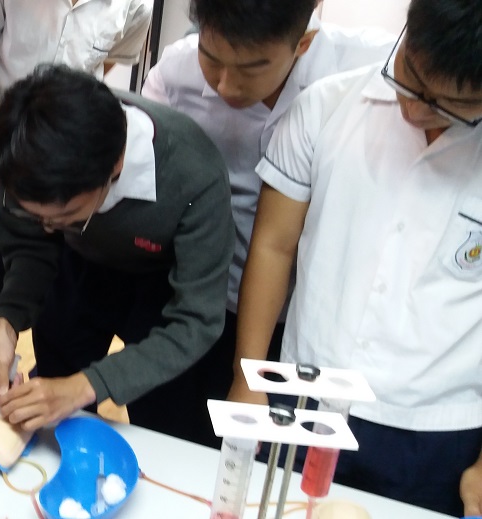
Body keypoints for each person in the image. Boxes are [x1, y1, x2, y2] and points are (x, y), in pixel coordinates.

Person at [233, 0, 482, 514]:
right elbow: (274, 246)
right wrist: (246, 375)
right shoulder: (327, 107)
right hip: (306, 394)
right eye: (410, 78)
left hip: (436, 428)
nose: (414, 110)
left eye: (448, 105)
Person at [140, 0, 394, 447]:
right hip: (191, 299)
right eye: (211, 59)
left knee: (252, 454)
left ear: (303, 42)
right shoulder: (175, 74)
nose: (225, 84)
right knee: (166, 436)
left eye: (251, 68)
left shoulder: (367, 70)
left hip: (289, 319)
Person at [0, 65, 234, 438]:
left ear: (115, 165)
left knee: (166, 418)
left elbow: (196, 321)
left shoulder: (194, 175)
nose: (47, 227)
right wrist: (6, 322)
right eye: (36, 216)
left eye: (64, 216)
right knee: (52, 398)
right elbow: (31, 248)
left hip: (163, 283)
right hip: (78, 266)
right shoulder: (23, 153)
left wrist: (87, 386)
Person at [0, 0, 152, 363]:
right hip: (1, 152)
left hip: (72, 172)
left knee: (64, 305)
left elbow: (101, 68)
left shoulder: (136, 5)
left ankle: (53, 379)